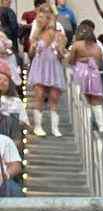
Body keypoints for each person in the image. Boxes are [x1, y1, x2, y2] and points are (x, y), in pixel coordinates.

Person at [26, 8, 66, 137]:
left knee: (54, 97)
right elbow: (31, 54)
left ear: (48, 19)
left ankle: (55, 128)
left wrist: (59, 50)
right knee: (39, 95)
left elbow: (62, 56)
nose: (38, 20)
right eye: (38, 18)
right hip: (40, 66)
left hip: (54, 66)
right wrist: (32, 48)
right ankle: (38, 126)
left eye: (41, 17)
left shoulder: (59, 35)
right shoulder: (35, 36)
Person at [68, 19, 103, 131]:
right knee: (96, 99)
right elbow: (99, 63)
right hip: (94, 72)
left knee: (83, 98)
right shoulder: (98, 48)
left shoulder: (77, 45)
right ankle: (101, 125)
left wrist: (81, 60)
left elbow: (71, 60)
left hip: (80, 71)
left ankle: (87, 122)